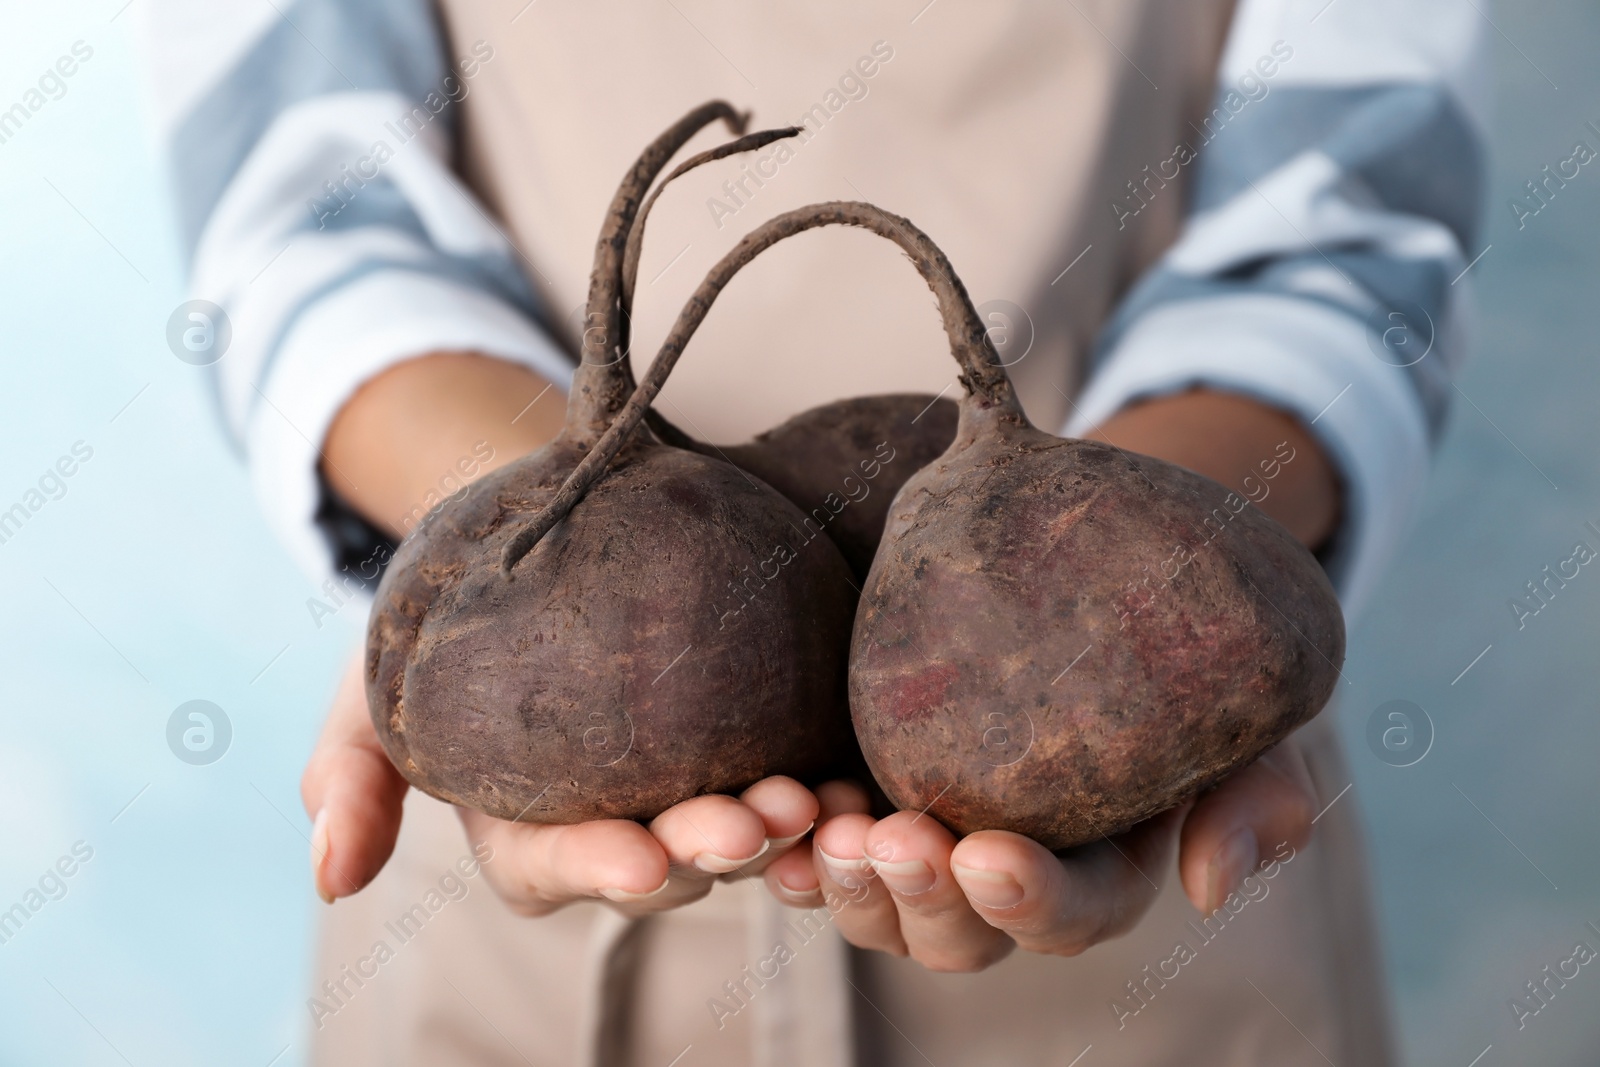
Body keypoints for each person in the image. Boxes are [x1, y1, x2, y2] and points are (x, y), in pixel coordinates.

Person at [141, 0, 1485, 1062]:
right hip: (515, 963)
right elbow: (305, 232)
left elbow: (1349, 246)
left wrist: (1154, 597)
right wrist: (502, 502)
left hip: (1155, 972)